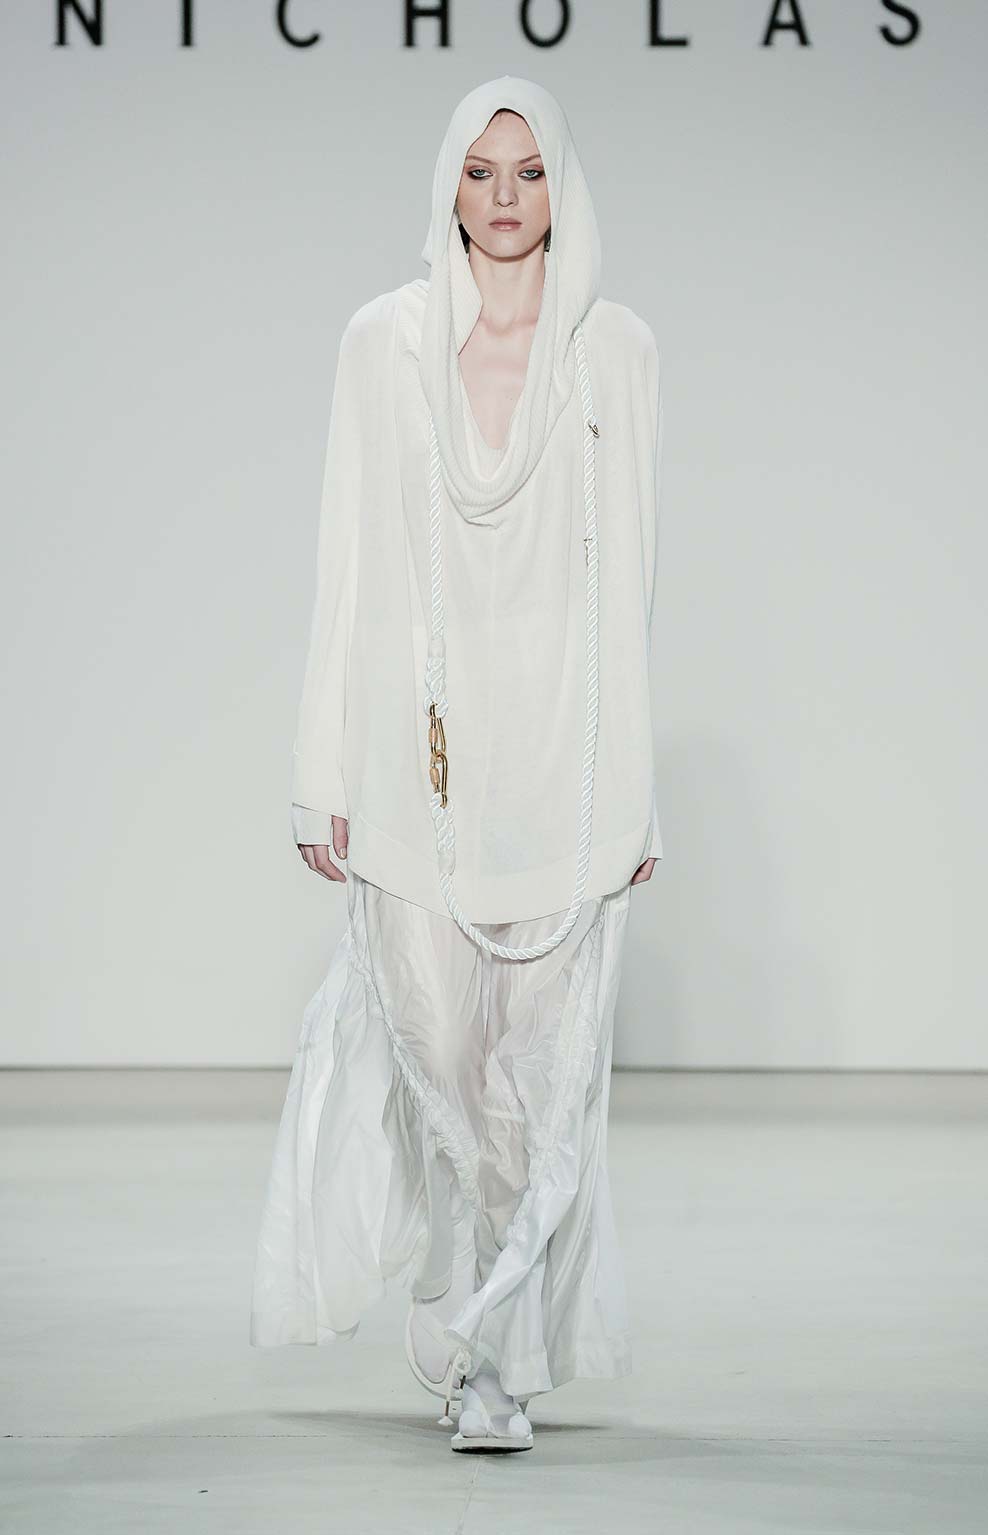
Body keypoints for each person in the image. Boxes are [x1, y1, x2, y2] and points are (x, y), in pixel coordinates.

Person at [250, 75, 664, 1454]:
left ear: (562, 189)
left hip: (562, 761)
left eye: (528, 172)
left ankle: (495, 1360)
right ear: (449, 185)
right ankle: (470, 1302)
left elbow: (633, 582)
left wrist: (637, 789)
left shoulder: (616, 354)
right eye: (481, 172)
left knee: (535, 1079)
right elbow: (346, 558)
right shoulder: (384, 343)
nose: (503, 197)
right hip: (412, 754)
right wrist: (322, 771)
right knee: (438, 1056)